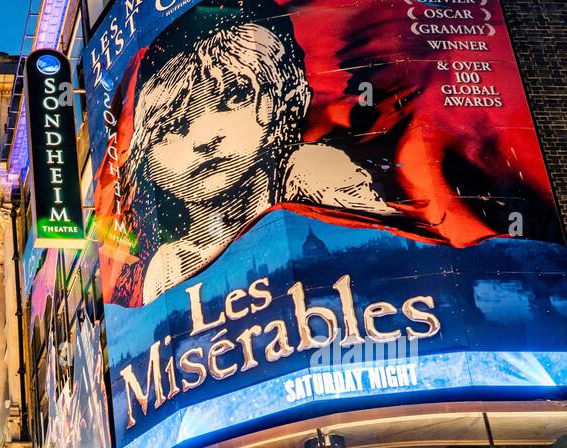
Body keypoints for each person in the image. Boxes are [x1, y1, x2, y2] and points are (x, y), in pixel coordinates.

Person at [116, 0, 393, 304]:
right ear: (146, 160)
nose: (204, 138)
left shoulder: (312, 173)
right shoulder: (168, 264)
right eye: (170, 126)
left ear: (288, 98)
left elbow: (381, 251)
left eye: (235, 96)